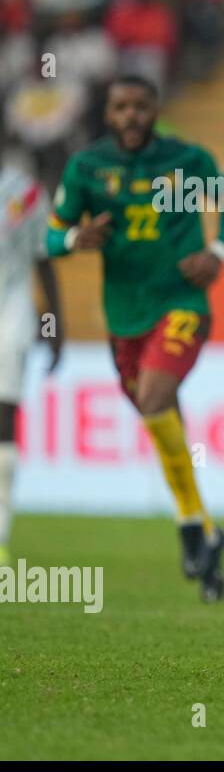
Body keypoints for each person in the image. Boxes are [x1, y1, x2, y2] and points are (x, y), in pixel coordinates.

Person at [46, 75, 224, 602]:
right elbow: (50, 232)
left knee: (156, 397)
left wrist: (218, 253)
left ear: (156, 108)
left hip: (182, 303)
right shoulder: (86, 168)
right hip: (123, 315)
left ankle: (186, 529)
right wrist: (72, 238)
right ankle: (207, 534)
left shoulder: (187, 159)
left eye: (140, 105)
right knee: (158, 414)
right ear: (107, 114)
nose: (130, 115)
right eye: (120, 107)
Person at [0, 165, 62, 568]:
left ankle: (0, 533)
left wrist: (55, 324)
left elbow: (43, 259)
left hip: (11, 318)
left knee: (3, 423)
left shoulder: (23, 190)